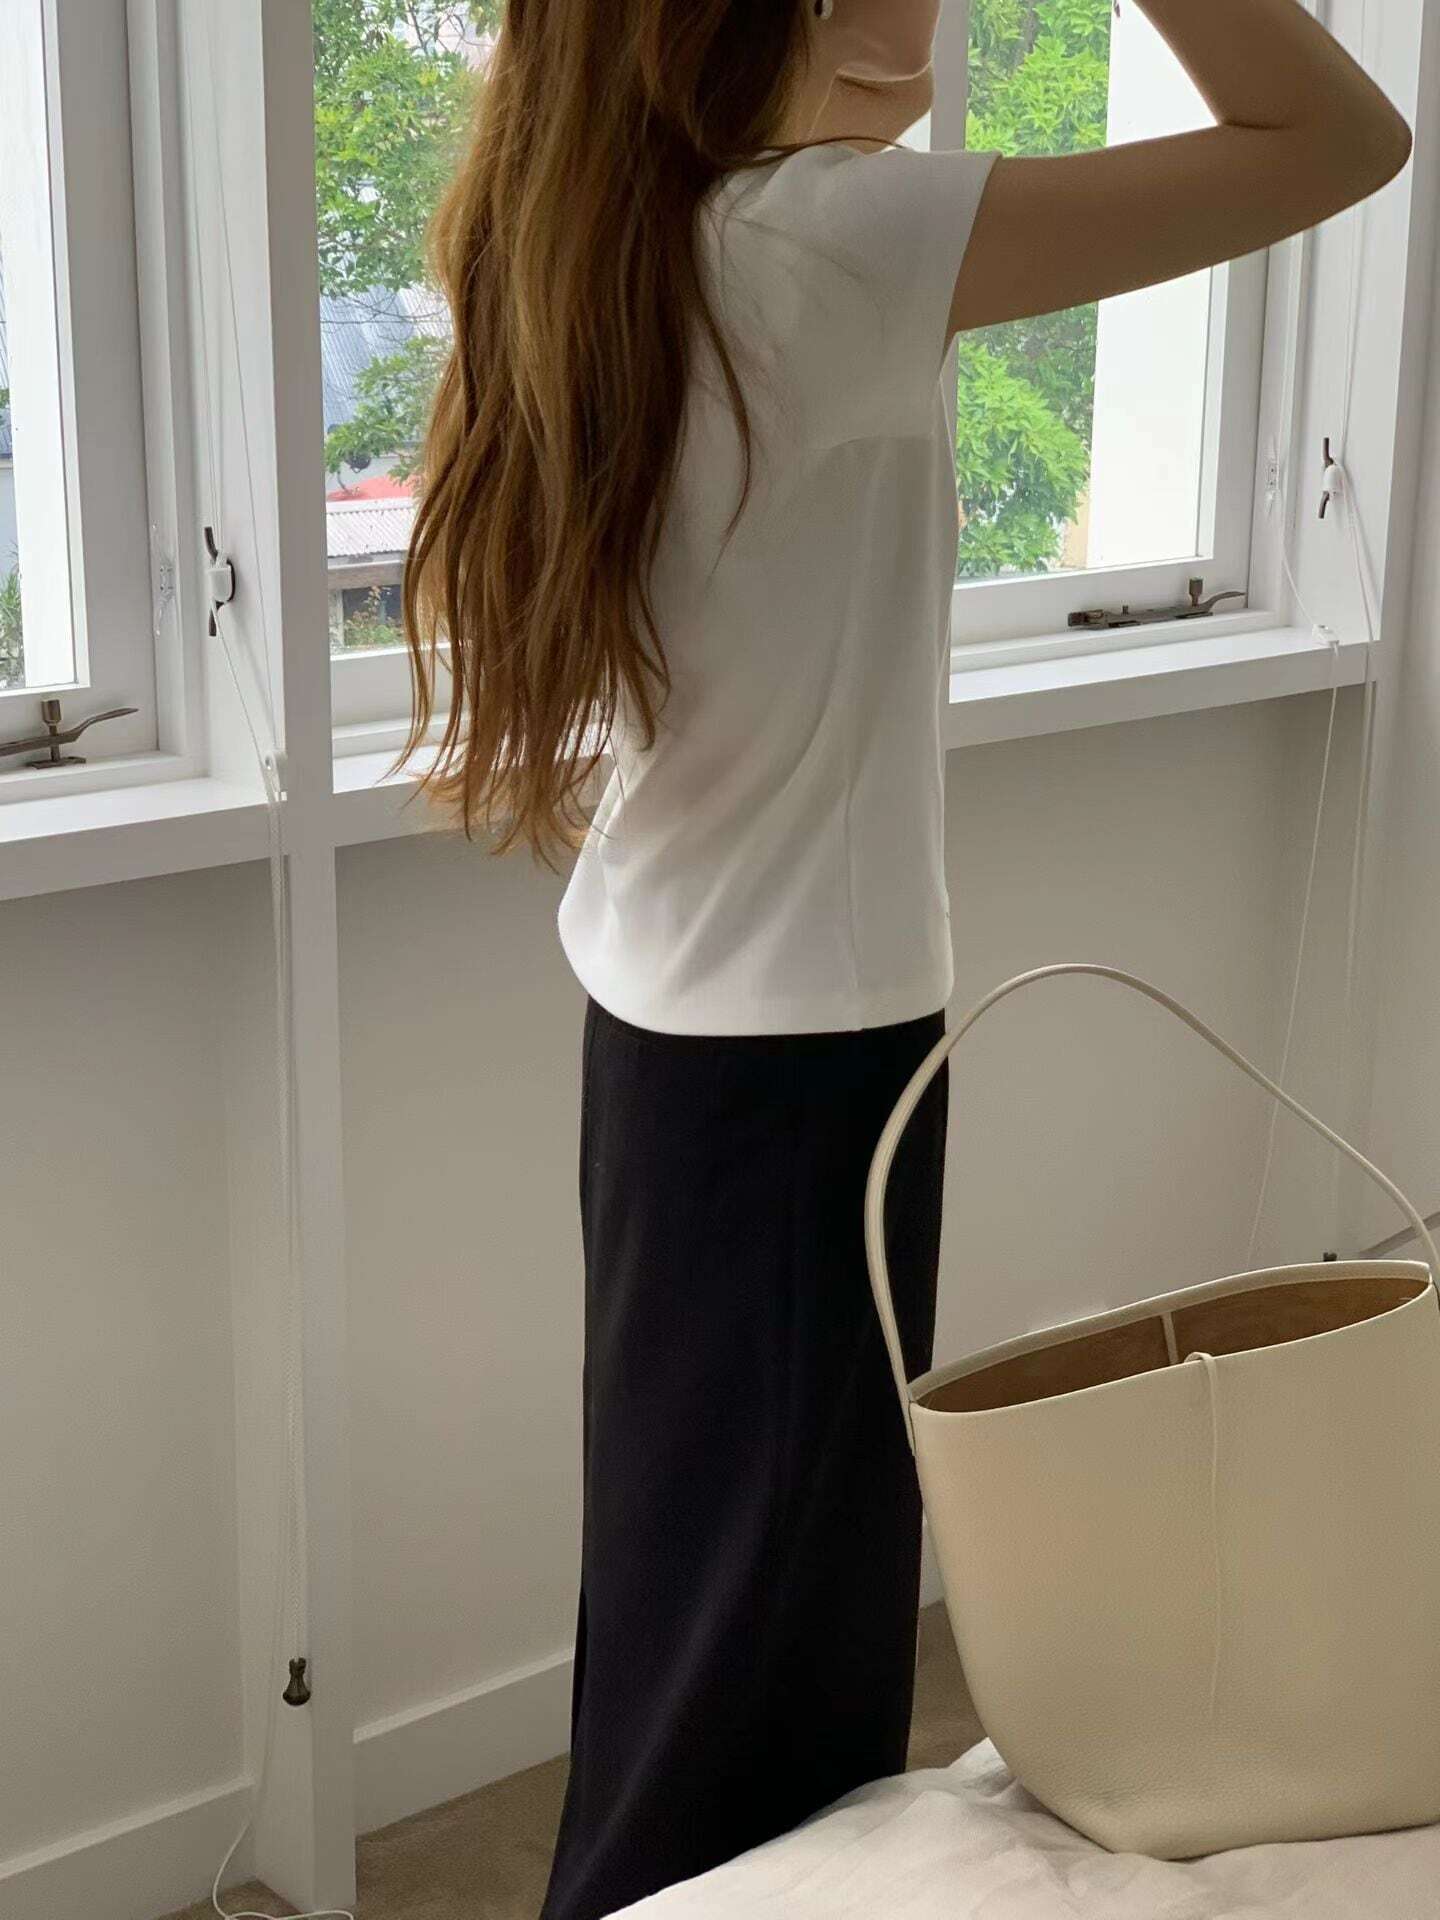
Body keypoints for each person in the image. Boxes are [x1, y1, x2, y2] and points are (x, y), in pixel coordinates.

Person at [397, 4, 1410, 1915]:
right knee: (771, 1682)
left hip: (665, 1028)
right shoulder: (824, 240)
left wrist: (852, 82)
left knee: (686, 1610)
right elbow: (1341, 138)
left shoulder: (628, 223)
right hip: (801, 1059)